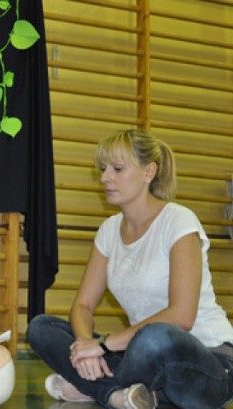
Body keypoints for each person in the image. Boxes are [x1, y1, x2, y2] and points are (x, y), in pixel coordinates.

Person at [26, 129, 233, 409]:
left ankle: (95, 388)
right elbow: (83, 306)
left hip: (209, 361)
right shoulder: (109, 230)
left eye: (117, 169)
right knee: (41, 327)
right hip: (140, 356)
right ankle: (118, 393)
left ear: (149, 172)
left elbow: (182, 317)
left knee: (154, 336)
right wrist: (86, 343)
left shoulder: (179, 221)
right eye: (102, 169)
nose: (104, 178)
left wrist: (102, 346)